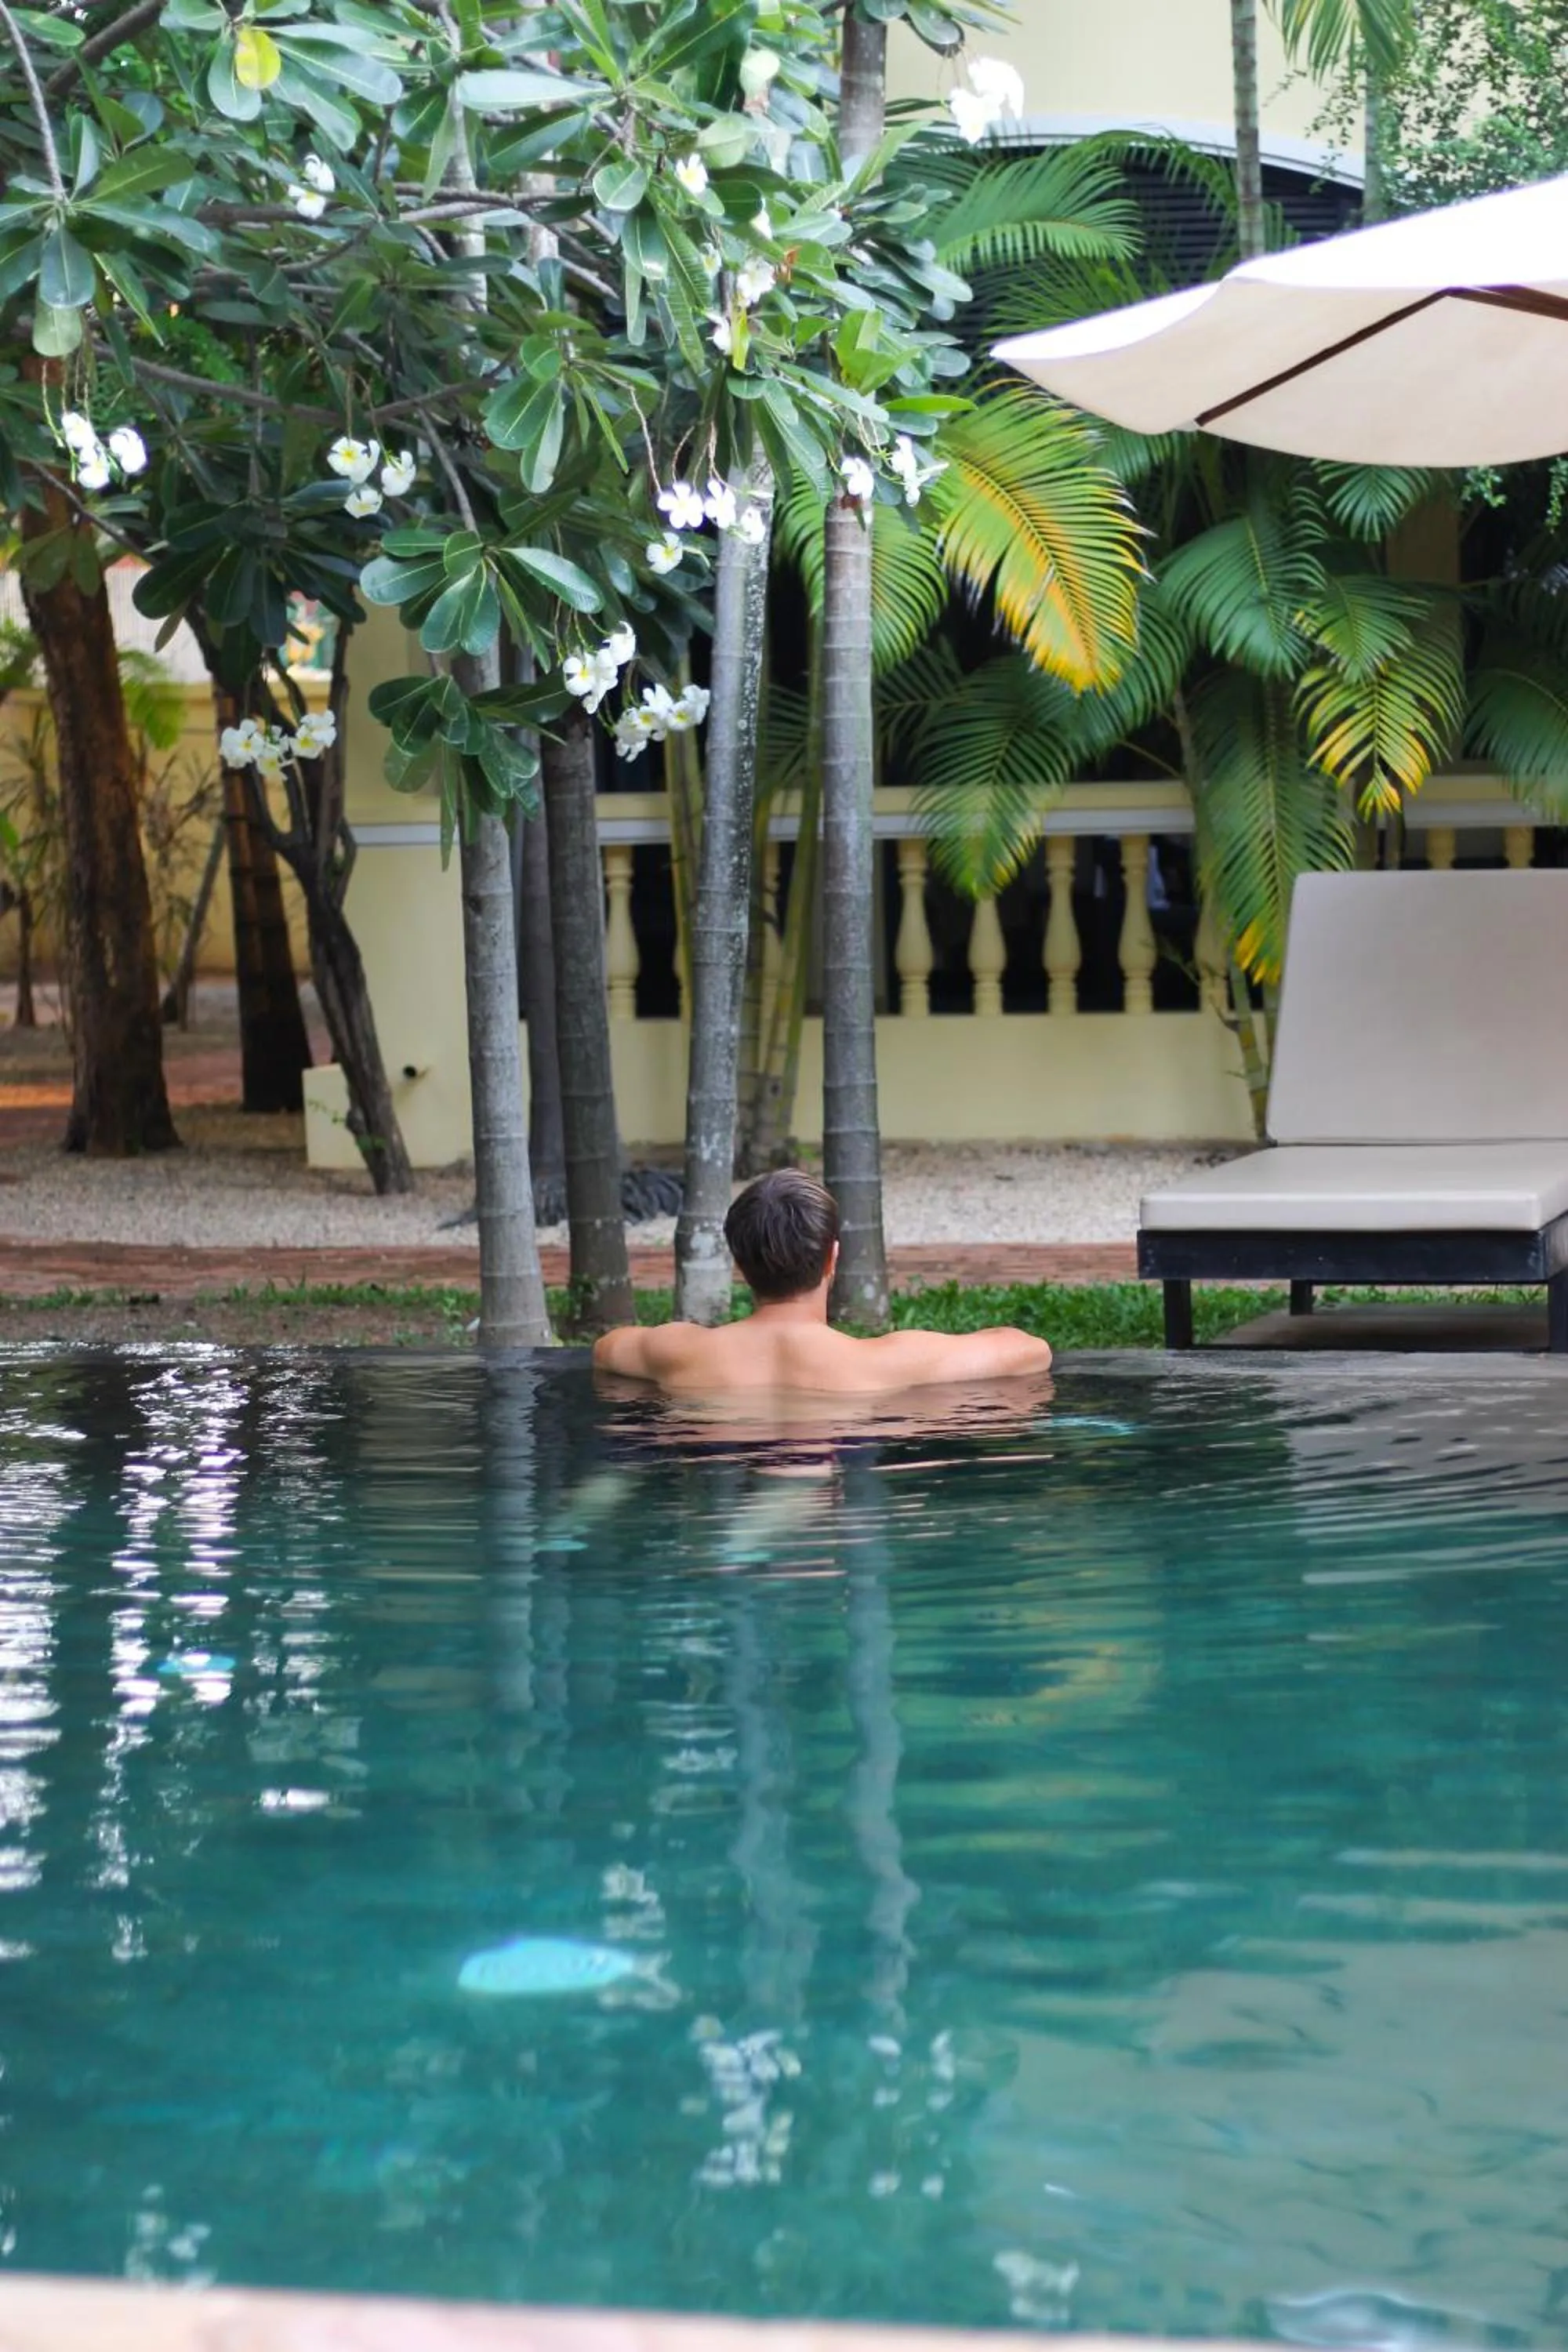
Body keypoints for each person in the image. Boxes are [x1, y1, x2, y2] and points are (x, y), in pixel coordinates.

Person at [592, 1168, 1052, 1396]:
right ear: (834, 1256)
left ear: (739, 1261)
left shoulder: (679, 1351)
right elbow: (1031, 1351)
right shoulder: (890, 1362)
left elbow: (607, 1349)